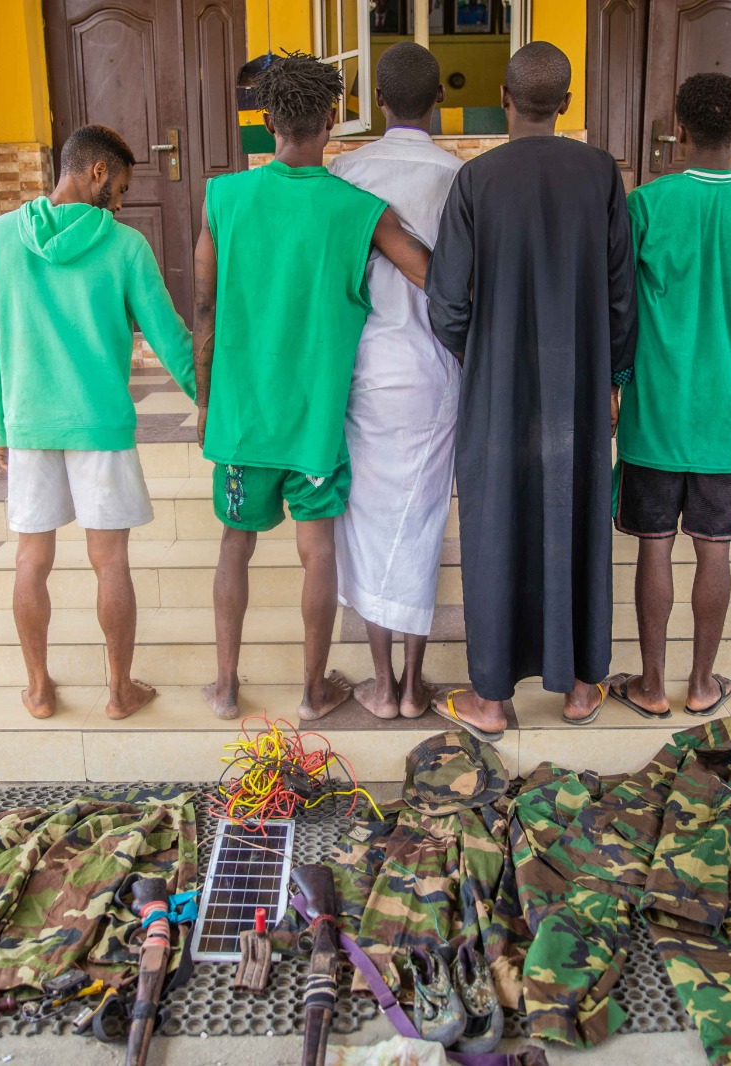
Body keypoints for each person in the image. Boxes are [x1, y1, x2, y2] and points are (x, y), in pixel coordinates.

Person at [193, 52, 432, 722]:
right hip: (316, 425)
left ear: (266, 121)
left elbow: (205, 309)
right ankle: (309, 691)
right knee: (316, 548)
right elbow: (434, 277)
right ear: (332, 120)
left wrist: (208, 399)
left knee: (234, 544)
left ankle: (226, 687)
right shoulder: (360, 210)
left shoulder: (223, 197)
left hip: (242, 417)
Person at [425, 42, 636, 740]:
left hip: (497, 388)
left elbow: (447, 303)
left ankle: (491, 701)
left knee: (496, 525)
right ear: (566, 105)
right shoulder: (602, 174)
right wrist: (613, 380)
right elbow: (619, 296)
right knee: (575, 518)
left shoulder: (476, 181)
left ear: (504, 99)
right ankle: (580, 686)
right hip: (577, 388)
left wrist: (483, 354)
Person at [606, 73, 731, 719]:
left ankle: (650, 685)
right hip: (725, 411)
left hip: (654, 410)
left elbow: (620, 311)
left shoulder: (646, 205)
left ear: (682, 129)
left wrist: (617, 385)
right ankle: (701, 684)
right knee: (714, 546)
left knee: (655, 543)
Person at [0, 124, 195, 721]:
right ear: (96, 172)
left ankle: (39, 689)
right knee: (111, 562)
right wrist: (209, 400)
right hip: (100, 427)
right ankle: (120, 692)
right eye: (120, 188)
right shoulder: (125, 247)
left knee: (30, 560)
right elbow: (171, 336)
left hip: (28, 425)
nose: (121, 203)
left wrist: (1, 425)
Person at [329, 43, 462, 721]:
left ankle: (381, 685)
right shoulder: (457, 177)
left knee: (369, 523)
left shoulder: (345, 172)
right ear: (438, 98)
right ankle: (416, 685)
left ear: (377, 101)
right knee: (422, 521)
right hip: (436, 372)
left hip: (363, 372)